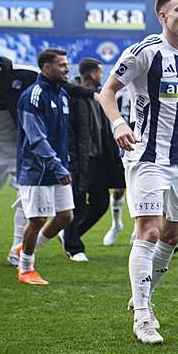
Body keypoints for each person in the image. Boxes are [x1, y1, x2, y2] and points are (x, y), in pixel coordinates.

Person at [98, 0, 178, 345]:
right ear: (163, 16)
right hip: (146, 157)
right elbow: (106, 92)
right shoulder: (143, 52)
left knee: (172, 237)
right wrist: (119, 124)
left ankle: (140, 296)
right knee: (148, 233)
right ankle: (143, 316)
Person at [0, 47, 94, 266]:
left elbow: (59, 85)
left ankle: (17, 249)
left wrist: (93, 94)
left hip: (21, 149)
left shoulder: (25, 74)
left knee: (28, 204)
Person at [14, 49, 76, 285]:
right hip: (37, 170)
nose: (67, 69)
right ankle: (26, 269)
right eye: (62, 65)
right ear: (47, 68)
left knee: (65, 216)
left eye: (67, 64)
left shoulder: (63, 95)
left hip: (59, 167)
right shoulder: (33, 95)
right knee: (38, 219)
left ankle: (26, 248)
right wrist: (57, 166)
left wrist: (64, 163)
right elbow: (36, 138)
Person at [60, 58, 126, 261]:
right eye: (100, 72)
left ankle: (70, 234)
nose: (102, 76)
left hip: (99, 159)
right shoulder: (70, 95)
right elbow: (69, 132)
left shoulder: (101, 95)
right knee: (78, 203)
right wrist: (72, 161)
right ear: (91, 74)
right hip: (81, 159)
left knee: (101, 203)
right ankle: (74, 248)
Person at [102, 87, 131, 246]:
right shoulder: (120, 92)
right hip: (120, 146)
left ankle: (138, 231)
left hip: (145, 146)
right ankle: (116, 224)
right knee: (118, 190)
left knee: (141, 190)